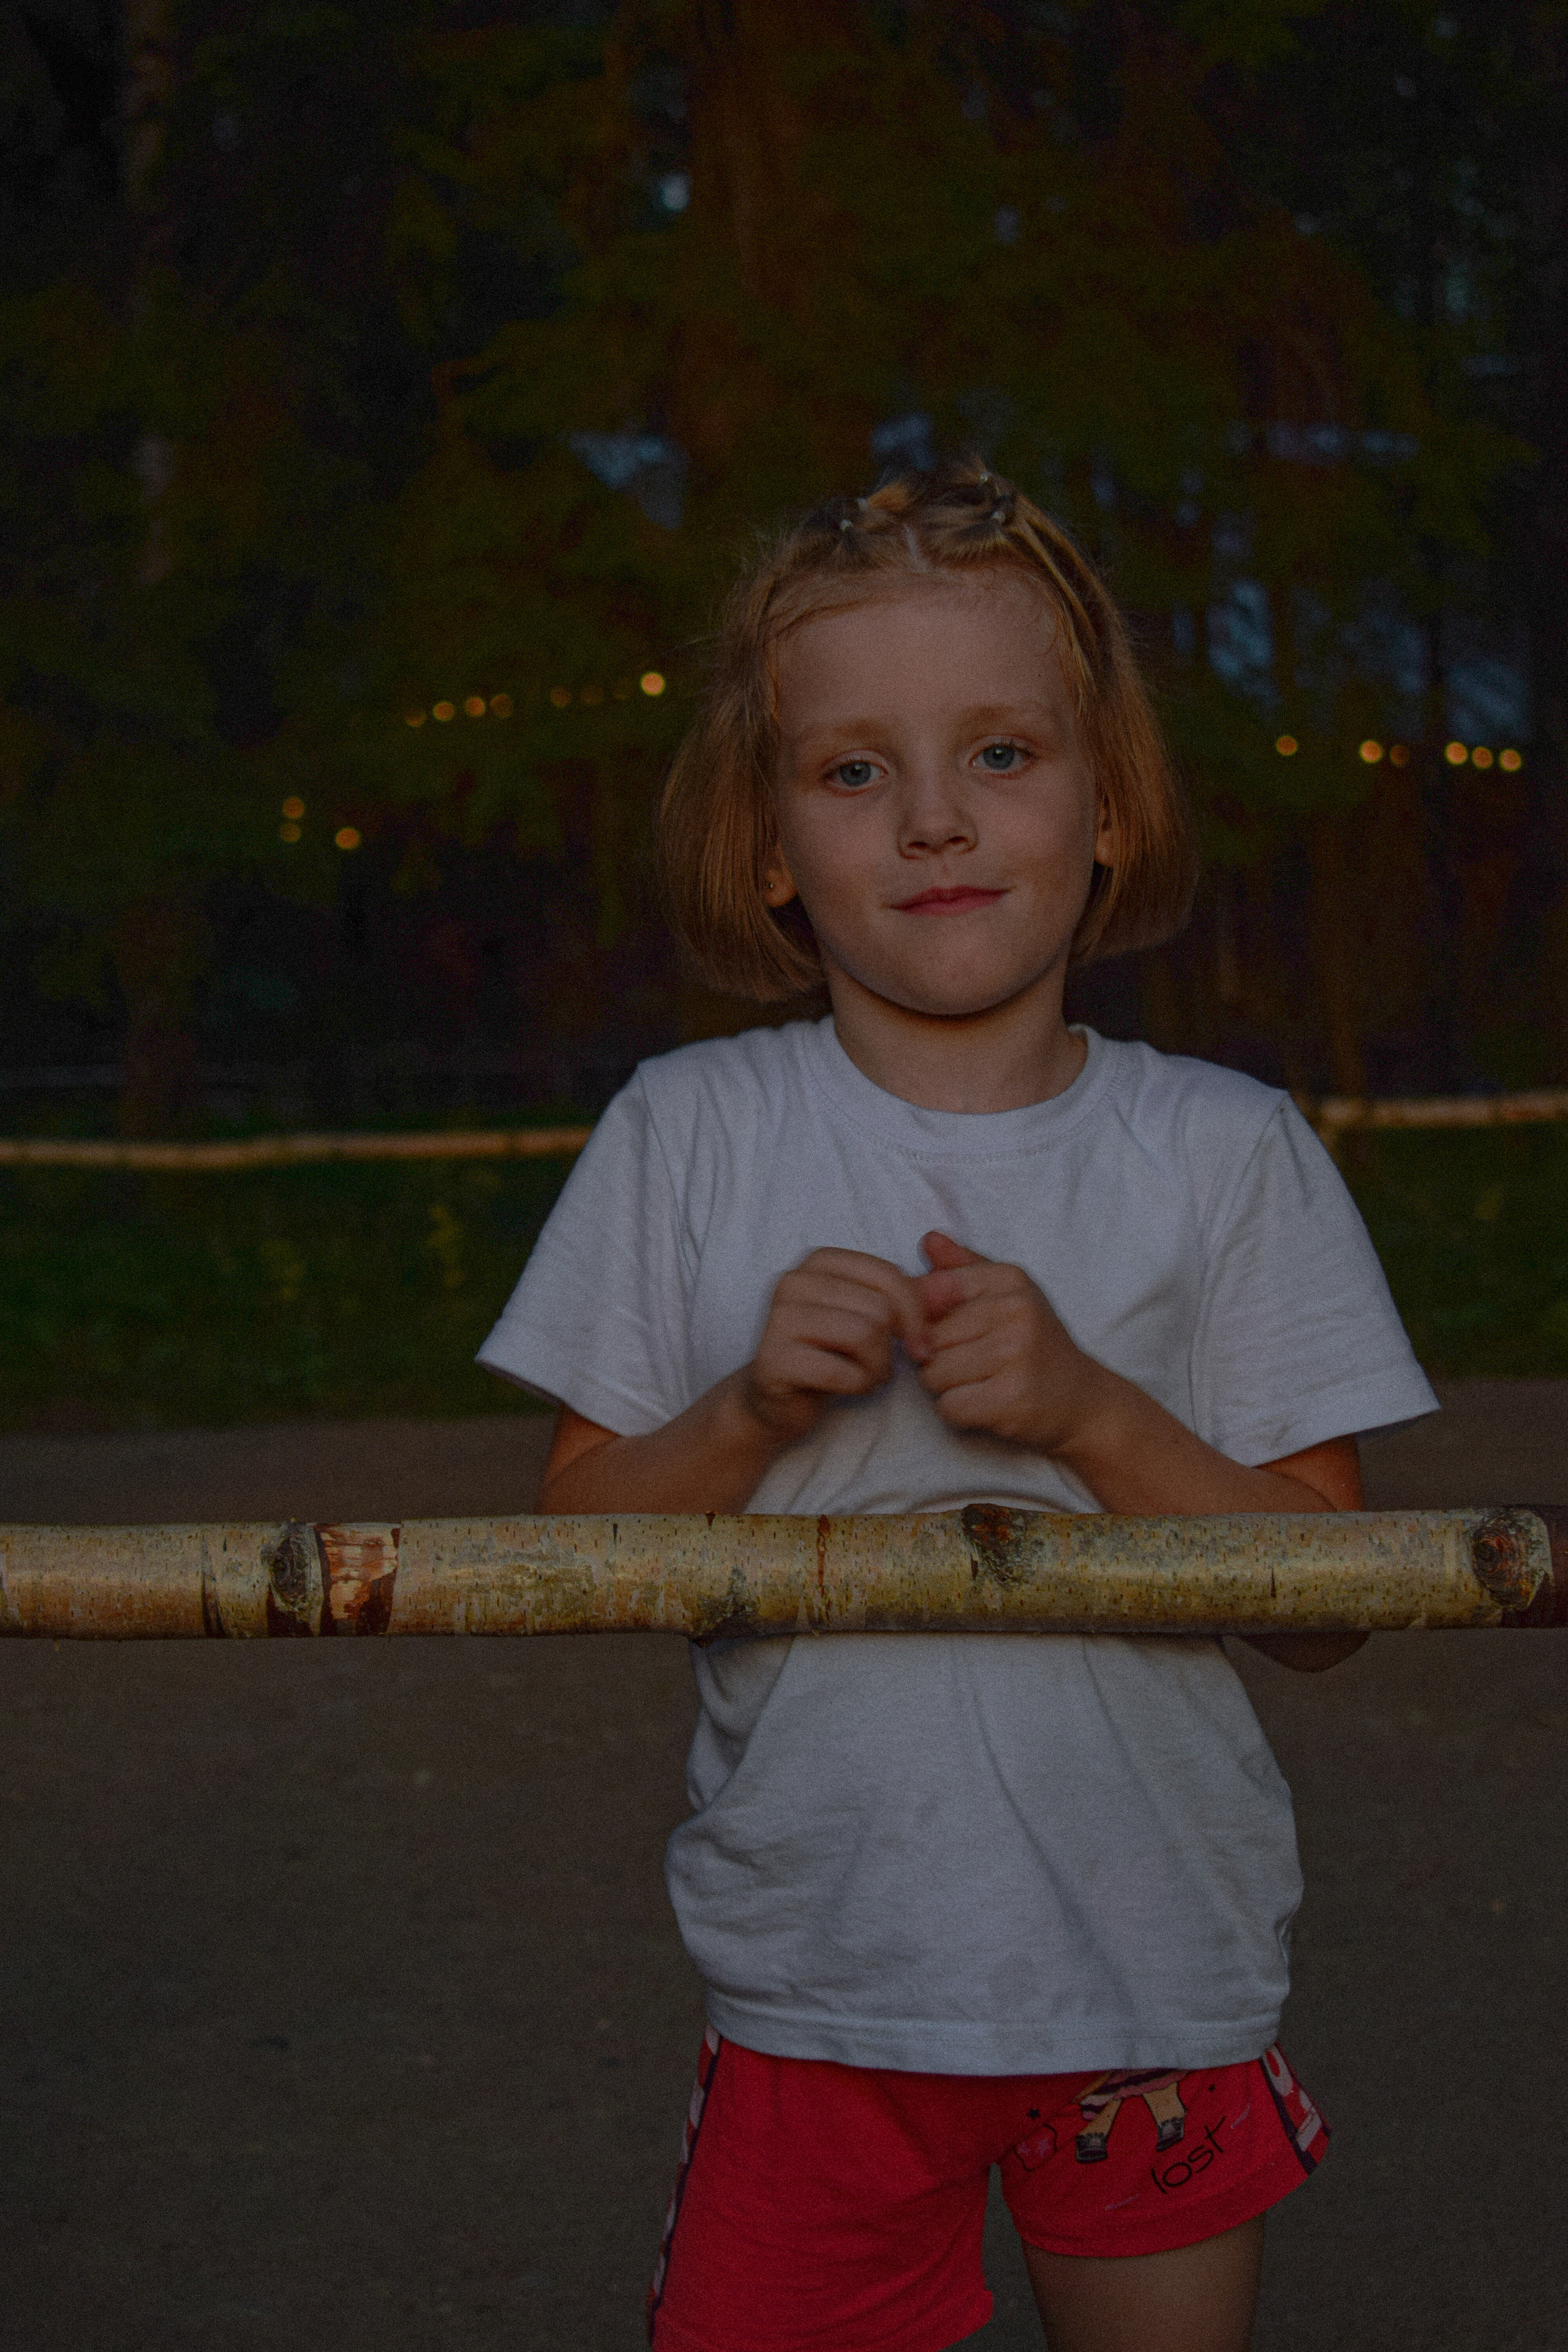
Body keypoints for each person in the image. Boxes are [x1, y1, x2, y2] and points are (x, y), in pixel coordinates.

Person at [478, 460, 1436, 2352]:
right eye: (854, 772)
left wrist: (1091, 1409)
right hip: (823, 1991)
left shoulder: (1223, 1154)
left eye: (1000, 753)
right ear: (769, 842)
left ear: (1111, 807)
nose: (932, 820)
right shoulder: (693, 1132)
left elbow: (1335, 1601)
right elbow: (564, 1559)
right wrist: (751, 1409)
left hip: (1154, 1985)